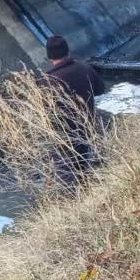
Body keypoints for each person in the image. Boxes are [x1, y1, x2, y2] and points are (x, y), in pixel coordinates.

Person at [41, 35, 106, 181]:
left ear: (49, 56)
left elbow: (44, 113)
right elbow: (101, 89)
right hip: (89, 127)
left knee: (73, 175)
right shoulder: (84, 67)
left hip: (66, 139)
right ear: (67, 51)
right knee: (92, 164)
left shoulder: (46, 82)